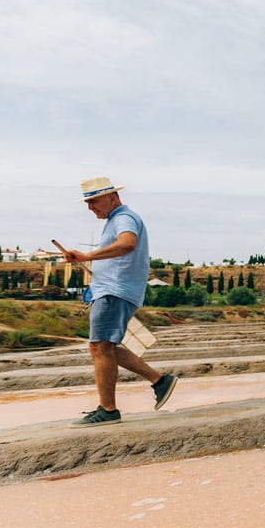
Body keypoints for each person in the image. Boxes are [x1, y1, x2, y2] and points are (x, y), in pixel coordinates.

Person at [63, 176, 177, 425]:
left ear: (112, 197)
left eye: (93, 201)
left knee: (99, 347)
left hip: (114, 292)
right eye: (87, 202)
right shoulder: (116, 220)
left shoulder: (123, 218)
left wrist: (88, 254)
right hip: (111, 291)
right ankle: (159, 380)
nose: (90, 207)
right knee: (106, 347)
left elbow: (127, 244)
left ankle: (108, 409)